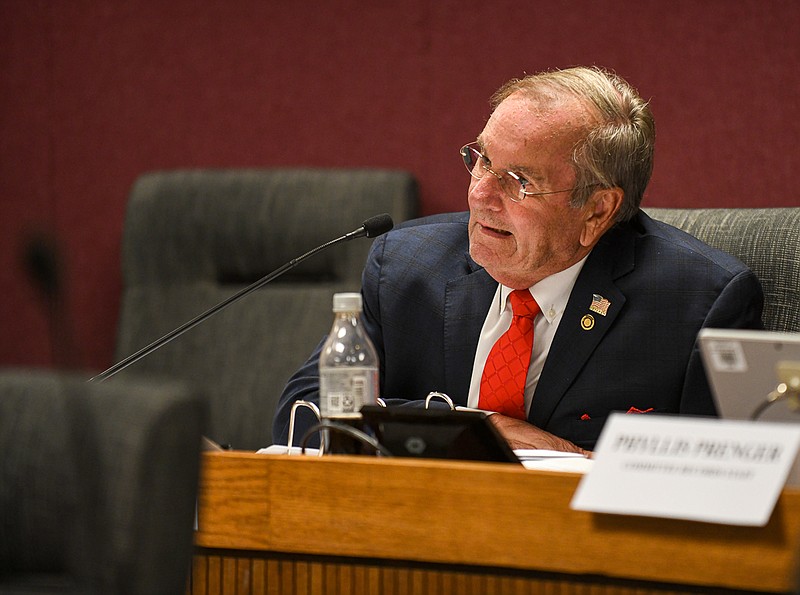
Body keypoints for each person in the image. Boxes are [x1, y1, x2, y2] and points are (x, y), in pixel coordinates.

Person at [273, 66, 763, 454]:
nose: (480, 194)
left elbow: (722, 476)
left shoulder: (697, 303)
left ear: (597, 210)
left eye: (518, 180)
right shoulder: (406, 265)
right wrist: (469, 430)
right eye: (482, 160)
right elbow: (304, 414)